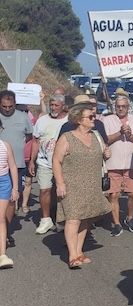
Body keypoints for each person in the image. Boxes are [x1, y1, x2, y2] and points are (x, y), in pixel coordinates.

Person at [52, 103, 112, 269]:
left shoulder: (96, 136)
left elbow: (103, 154)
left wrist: (107, 154)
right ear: (79, 119)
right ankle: (72, 255)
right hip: (71, 185)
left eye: (94, 116)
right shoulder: (67, 138)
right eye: (90, 117)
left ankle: (79, 252)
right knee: (73, 218)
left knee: (85, 218)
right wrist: (60, 183)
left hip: (92, 184)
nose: (94, 119)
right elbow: (56, 161)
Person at [101, 96, 133, 236]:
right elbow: (104, 139)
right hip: (113, 163)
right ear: (115, 107)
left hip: (132, 163)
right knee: (114, 194)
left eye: (123, 106)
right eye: (118, 106)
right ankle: (116, 223)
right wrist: (120, 133)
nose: (120, 109)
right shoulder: (107, 120)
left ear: (128, 107)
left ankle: (130, 218)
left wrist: (130, 135)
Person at [30, 94, 68, 235]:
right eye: (51, 105)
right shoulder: (42, 120)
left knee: (62, 192)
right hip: (44, 162)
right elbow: (35, 141)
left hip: (64, 164)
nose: (53, 108)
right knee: (44, 189)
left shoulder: (68, 121)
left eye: (56, 105)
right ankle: (46, 219)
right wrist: (32, 161)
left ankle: (62, 219)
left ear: (63, 106)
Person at [0, 90, 33, 247]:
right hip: (1, 166)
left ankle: (5, 230)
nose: (7, 109)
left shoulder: (23, 117)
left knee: (12, 200)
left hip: (17, 165)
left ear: (15, 104)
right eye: (4, 106)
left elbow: (29, 136)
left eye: (10, 106)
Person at [0, 137, 19, 269]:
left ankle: (2, 255)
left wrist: (15, 189)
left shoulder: (5, 145)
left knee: (1, 218)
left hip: (4, 182)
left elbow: (12, 166)